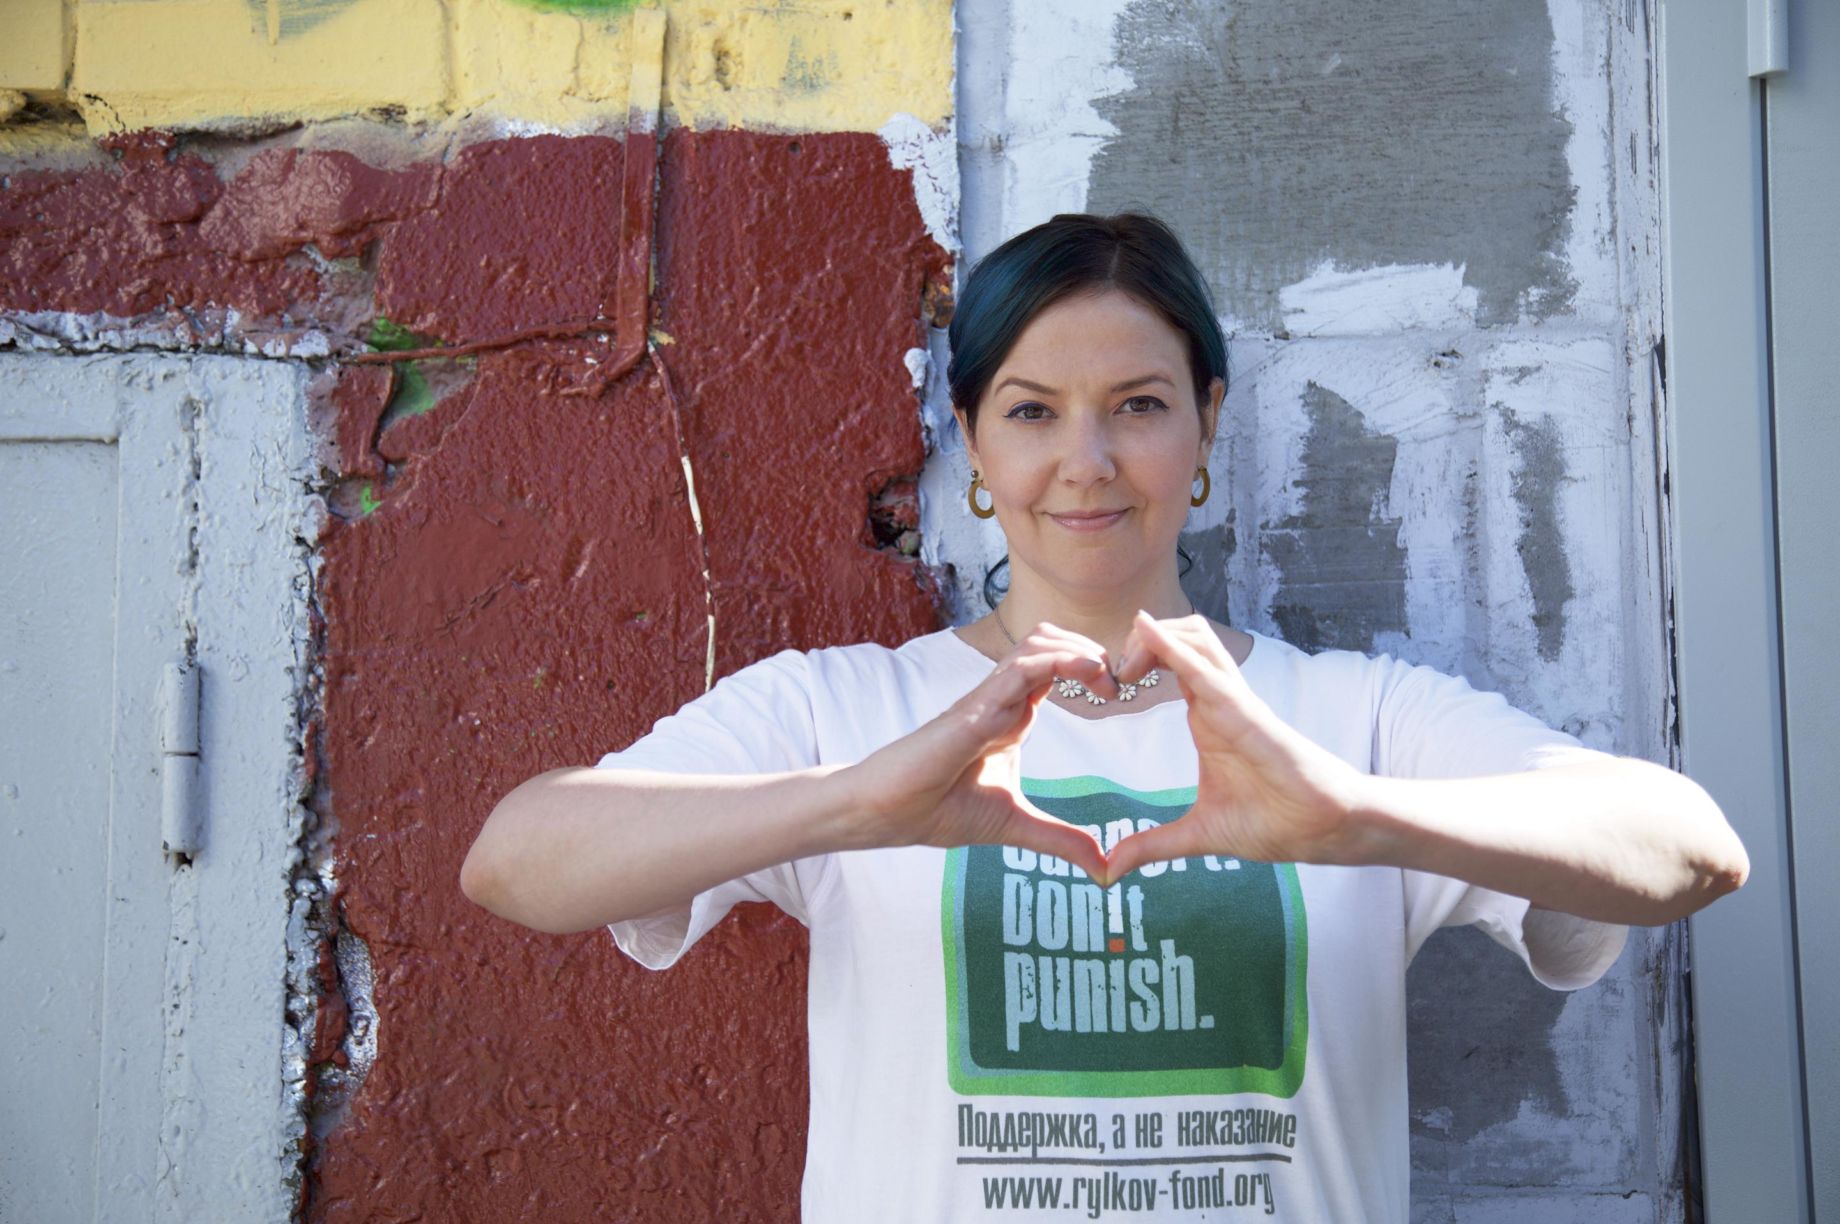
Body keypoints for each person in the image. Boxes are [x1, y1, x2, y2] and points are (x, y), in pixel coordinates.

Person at [460, 213, 1748, 1223]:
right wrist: (855, 803)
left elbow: (1689, 848)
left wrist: (1357, 819)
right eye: (1032, 411)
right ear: (972, 443)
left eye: (1138, 405)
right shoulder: (841, 708)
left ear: (1206, 425)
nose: (1086, 461)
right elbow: (518, 862)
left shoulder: (1352, 717)